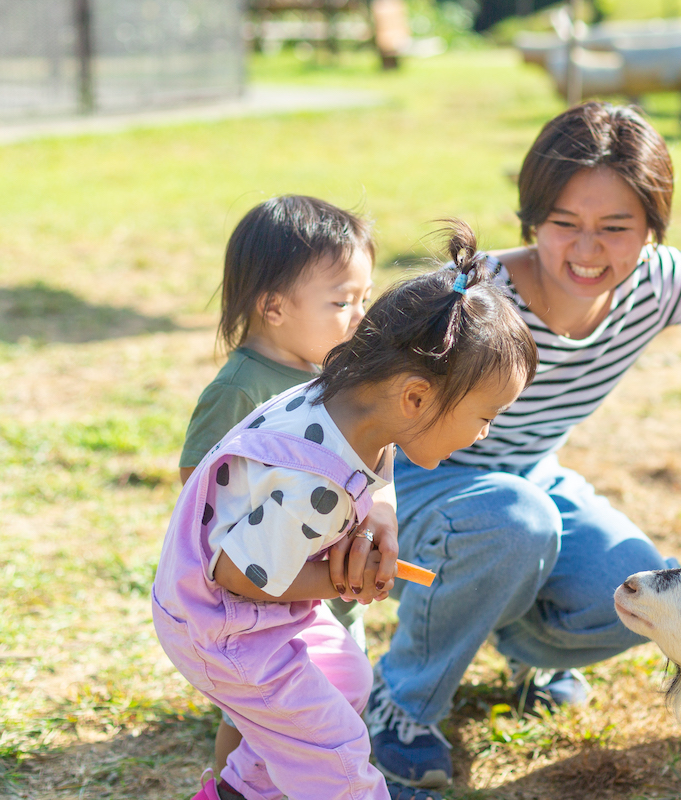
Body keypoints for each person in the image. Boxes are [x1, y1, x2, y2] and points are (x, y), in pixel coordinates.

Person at [365, 101, 681, 791]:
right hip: (418, 484)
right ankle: (400, 704)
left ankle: (520, 646)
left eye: (616, 228)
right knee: (511, 519)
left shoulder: (660, 281)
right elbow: (362, 401)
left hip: (530, 477)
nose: (587, 251)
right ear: (532, 220)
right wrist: (365, 509)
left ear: (651, 230)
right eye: (565, 225)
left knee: (640, 593)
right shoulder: (472, 296)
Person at [154, 222, 538, 800]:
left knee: (345, 681)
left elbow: (378, 460)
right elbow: (238, 573)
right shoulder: (316, 482)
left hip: (254, 609)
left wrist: (380, 515)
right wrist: (341, 574)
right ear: (415, 398)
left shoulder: (353, 400)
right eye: (486, 415)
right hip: (222, 625)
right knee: (339, 758)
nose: (485, 434)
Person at [177, 195, 400, 778]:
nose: (360, 317)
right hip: (255, 602)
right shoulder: (242, 390)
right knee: (258, 715)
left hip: (330, 588)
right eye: (341, 302)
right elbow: (197, 488)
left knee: (335, 697)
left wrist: (380, 508)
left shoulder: (337, 374)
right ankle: (235, 788)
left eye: (365, 298)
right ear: (274, 306)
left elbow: (379, 451)